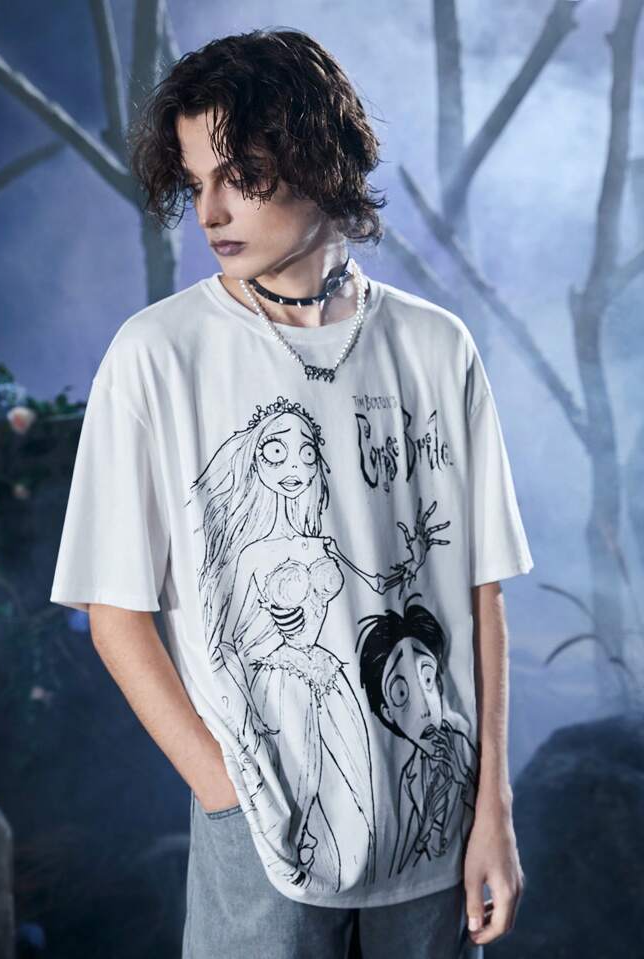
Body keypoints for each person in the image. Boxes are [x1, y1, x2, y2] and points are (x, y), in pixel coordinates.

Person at [49, 26, 534, 959]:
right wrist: (227, 793)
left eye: (240, 176)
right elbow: (115, 616)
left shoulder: (437, 346)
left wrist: (494, 809)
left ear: (319, 159)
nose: (211, 211)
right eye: (196, 182)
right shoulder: (157, 356)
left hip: (435, 834)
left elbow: (481, 593)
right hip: (265, 839)